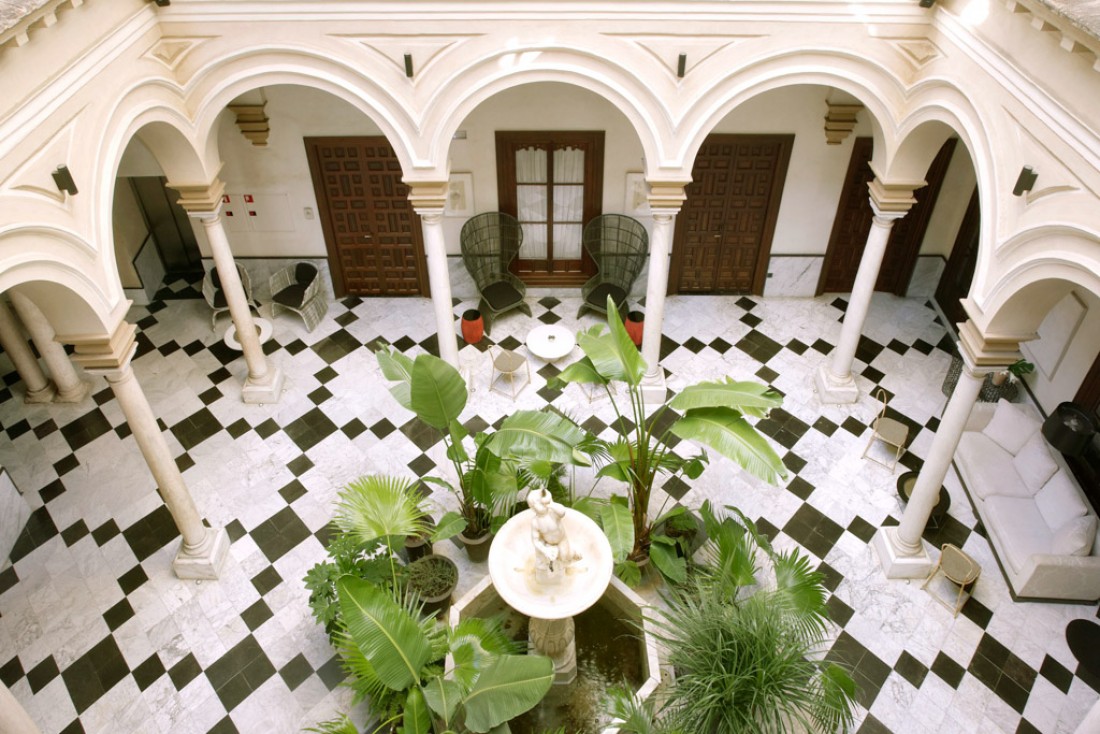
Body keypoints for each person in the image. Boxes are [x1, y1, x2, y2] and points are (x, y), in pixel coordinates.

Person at [528, 487, 580, 575]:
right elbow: (535, 540)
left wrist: (550, 503)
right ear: (533, 508)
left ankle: (573, 552)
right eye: (538, 503)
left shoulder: (552, 512)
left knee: (564, 556)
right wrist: (545, 550)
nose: (542, 503)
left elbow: (562, 512)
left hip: (561, 540)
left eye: (541, 501)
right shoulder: (535, 522)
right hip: (548, 543)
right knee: (544, 557)